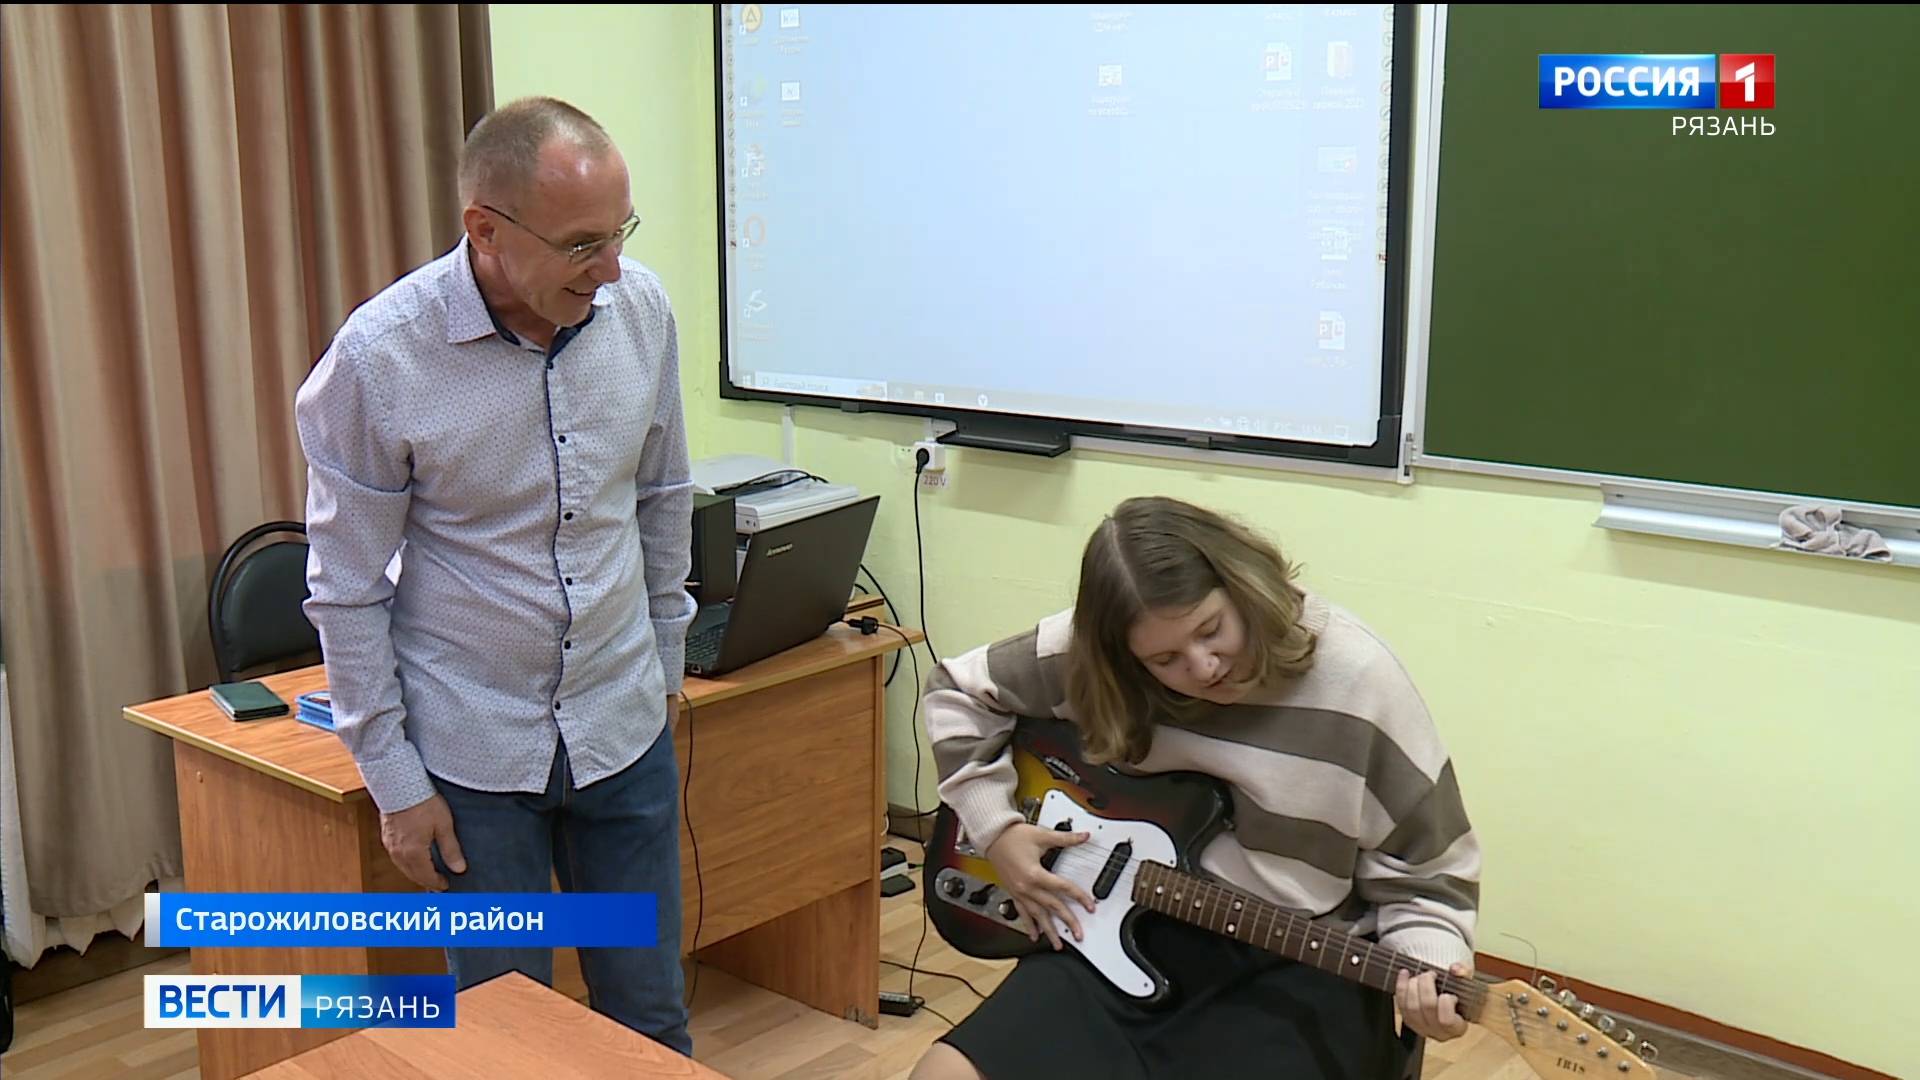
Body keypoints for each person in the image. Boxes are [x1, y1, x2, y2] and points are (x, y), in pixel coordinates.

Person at [294, 96, 696, 1055]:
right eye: (581, 244)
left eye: (621, 232)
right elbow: (347, 590)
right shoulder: (381, 359)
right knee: (508, 1040)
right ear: (485, 229)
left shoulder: (640, 311)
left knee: (649, 1022)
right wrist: (394, 780)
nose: (610, 268)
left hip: (621, 728)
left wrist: (665, 672)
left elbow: (662, 497)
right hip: (474, 754)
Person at [913, 496, 1482, 1080]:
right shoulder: (1103, 658)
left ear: (1243, 588)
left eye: (1212, 631)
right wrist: (997, 830)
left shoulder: (1360, 679)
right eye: (1166, 659)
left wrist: (1432, 968)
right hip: (1123, 927)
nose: (1205, 667)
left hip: (1304, 962)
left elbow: (1430, 872)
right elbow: (956, 691)